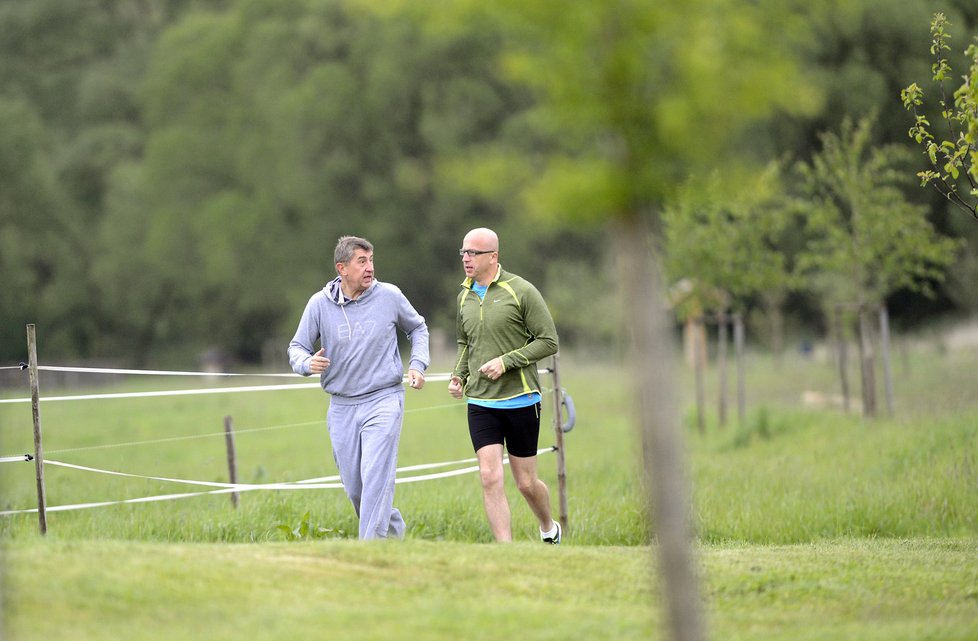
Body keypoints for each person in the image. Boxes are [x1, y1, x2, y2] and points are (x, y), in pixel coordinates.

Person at [288, 235, 429, 540]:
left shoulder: (389, 296)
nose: (370, 268)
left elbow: (418, 327)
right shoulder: (319, 304)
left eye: (371, 260)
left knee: (376, 478)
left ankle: (370, 553)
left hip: (384, 399)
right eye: (361, 261)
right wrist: (306, 364)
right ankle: (393, 537)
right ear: (342, 268)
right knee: (357, 488)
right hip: (341, 407)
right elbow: (297, 346)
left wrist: (417, 364)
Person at [448, 227, 561, 544]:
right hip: (482, 402)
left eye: (473, 253)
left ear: (493, 257)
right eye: (463, 253)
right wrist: (459, 376)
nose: (466, 259)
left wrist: (506, 361)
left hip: (521, 399)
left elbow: (548, 342)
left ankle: (548, 527)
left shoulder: (521, 291)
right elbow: (464, 342)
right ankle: (506, 550)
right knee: (489, 476)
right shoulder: (464, 296)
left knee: (526, 482)